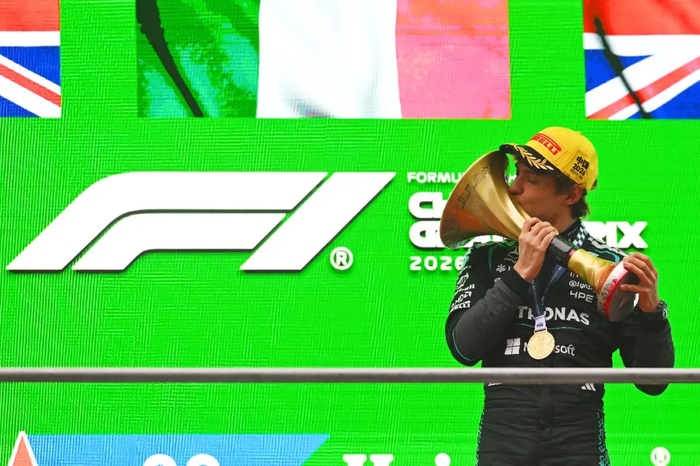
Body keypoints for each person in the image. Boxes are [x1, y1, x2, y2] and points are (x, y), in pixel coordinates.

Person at [445, 127, 675, 465]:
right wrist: (519, 275)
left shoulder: (612, 267)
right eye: (516, 174)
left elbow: (653, 382)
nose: (514, 187)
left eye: (531, 180)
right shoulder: (488, 257)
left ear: (571, 194)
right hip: (503, 439)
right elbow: (463, 347)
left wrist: (652, 314)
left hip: (579, 442)